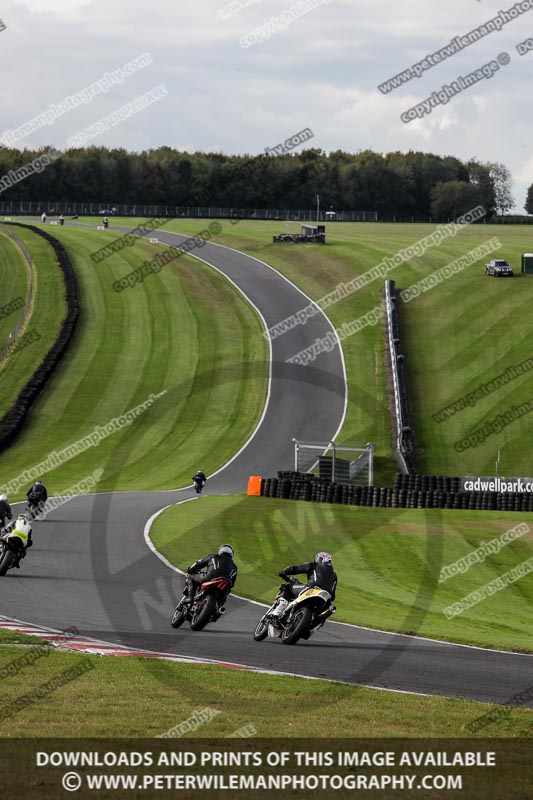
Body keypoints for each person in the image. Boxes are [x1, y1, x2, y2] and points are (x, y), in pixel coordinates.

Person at [271, 552, 337, 618]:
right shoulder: (334, 575)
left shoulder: (314, 565)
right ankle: (315, 624)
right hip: (326, 599)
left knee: (288, 587)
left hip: (311, 590)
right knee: (324, 613)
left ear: (318, 558)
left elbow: (295, 569)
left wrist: (283, 572)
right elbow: (333, 596)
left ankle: (278, 610)